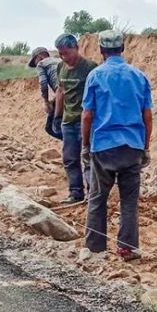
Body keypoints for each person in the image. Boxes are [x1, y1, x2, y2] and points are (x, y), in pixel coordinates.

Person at [80, 30, 153, 261]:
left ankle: (94, 249)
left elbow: (87, 115)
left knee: (97, 198)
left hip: (103, 145)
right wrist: (146, 147)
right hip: (132, 145)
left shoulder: (95, 76)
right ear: (123, 48)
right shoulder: (139, 76)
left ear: (101, 50)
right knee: (129, 201)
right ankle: (127, 248)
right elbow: (147, 115)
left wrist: (85, 145)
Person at [54, 33, 98, 203]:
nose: (64, 57)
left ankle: (92, 194)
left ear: (76, 48)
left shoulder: (89, 68)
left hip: (86, 121)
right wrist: (56, 116)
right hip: (68, 121)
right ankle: (75, 193)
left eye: (66, 52)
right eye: (60, 53)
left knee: (88, 157)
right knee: (69, 158)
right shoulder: (60, 68)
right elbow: (60, 91)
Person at [27, 45, 62, 140]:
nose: (35, 64)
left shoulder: (41, 64)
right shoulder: (59, 60)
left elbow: (43, 84)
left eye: (35, 61)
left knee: (50, 127)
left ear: (39, 56)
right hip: (75, 93)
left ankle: (73, 144)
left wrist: (46, 101)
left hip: (63, 96)